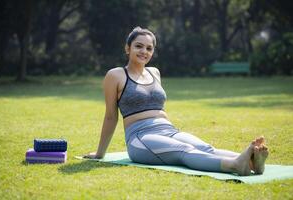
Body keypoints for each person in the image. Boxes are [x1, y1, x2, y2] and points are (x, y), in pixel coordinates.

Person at [84, 27, 269, 176]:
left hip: (168, 130)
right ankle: (236, 165)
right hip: (140, 137)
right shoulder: (115, 75)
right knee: (183, 150)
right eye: (138, 46)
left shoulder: (154, 72)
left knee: (205, 147)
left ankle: (252, 162)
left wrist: (168, 130)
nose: (144, 51)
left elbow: (159, 108)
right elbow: (110, 117)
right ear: (127, 48)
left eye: (149, 48)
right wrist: (100, 153)